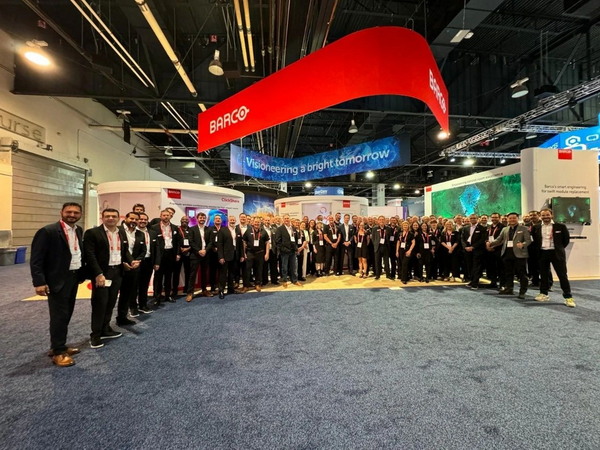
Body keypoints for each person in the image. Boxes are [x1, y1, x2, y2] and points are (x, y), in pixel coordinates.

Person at [30, 202, 86, 367]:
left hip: (73, 277)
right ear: (61, 212)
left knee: (67, 313)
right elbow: (36, 259)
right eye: (69, 212)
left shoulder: (78, 230)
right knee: (59, 316)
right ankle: (59, 352)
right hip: (57, 279)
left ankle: (58, 345)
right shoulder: (48, 231)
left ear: (80, 214)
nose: (72, 215)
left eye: (76, 212)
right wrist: (39, 282)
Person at [84, 208, 132, 348]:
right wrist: (98, 274)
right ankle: (95, 335)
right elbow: (90, 255)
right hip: (102, 274)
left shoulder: (121, 232)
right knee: (100, 304)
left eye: (113, 216)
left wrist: (128, 262)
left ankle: (105, 328)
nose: (111, 218)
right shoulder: (92, 233)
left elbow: (124, 251)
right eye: (107, 216)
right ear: (102, 217)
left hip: (117, 272)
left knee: (110, 302)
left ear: (118, 218)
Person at [532, 208, 576, 307]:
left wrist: (558, 249)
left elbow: (566, 240)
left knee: (562, 275)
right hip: (542, 253)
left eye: (547, 215)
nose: (545, 217)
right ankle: (544, 294)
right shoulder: (536, 227)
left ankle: (568, 297)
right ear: (540, 216)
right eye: (543, 215)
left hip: (556, 254)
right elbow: (535, 240)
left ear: (551, 215)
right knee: (543, 275)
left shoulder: (560, 226)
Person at [487, 212, 530, 299]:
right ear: (507, 219)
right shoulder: (505, 229)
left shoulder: (524, 228)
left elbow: (528, 240)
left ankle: (522, 292)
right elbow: (499, 239)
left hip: (519, 254)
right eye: (510, 218)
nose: (512, 220)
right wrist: (490, 243)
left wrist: (523, 244)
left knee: (522, 274)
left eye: (514, 218)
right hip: (507, 253)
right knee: (508, 273)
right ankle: (509, 289)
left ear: (518, 218)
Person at [116, 212, 146, 325]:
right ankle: (104, 324)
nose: (134, 221)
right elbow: (119, 250)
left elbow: (143, 250)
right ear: (126, 218)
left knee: (126, 294)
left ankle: (122, 317)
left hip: (134, 267)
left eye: (136, 219)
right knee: (112, 296)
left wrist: (137, 261)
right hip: (119, 267)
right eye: (131, 218)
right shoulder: (118, 230)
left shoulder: (140, 234)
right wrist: (124, 262)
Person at [151, 209, 181, 305]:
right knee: (158, 277)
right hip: (160, 254)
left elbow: (178, 242)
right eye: (164, 215)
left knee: (169, 276)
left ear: (170, 216)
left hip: (171, 253)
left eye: (167, 215)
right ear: (160, 216)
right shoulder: (154, 227)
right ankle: (157, 297)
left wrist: (178, 254)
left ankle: (168, 295)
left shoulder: (175, 227)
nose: (166, 217)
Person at [186, 212, 212, 302]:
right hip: (195, 255)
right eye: (200, 218)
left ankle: (204, 290)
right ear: (197, 219)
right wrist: (198, 251)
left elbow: (211, 242)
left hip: (206, 254)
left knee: (204, 273)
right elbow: (191, 241)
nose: (202, 219)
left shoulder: (209, 229)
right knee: (192, 274)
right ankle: (190, 293)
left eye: (203, 218)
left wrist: (205, 250)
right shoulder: (192, 229)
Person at [216, 215, 242, 299]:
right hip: (225, 256)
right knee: (223, 274)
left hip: (235, 255)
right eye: (231, 220)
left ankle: (231, 289)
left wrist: (241, 255)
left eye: (234, 220)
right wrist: (220, 257)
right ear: (228, 221)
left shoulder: (238, 230)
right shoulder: (223, 230)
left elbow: (240, 244)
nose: (232, 221)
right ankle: (221, 290)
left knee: (232, 273)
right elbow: (219, 244)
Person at [135, 213, 156, 313]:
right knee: (134, 285)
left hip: (148, 261)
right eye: (141, 219)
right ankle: (132, 307)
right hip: (136, 262)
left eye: (145, 219)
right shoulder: (133, 232)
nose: (143, 221)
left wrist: (156, 262)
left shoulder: (152, 233)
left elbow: (156, 249)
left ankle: (143, 305)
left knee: (144, 285)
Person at [243, 216, 270, 292]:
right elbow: (244, 242)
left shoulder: (264, 231)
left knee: (259, 269)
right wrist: (244, 253)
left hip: (260, 253)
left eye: (258, 222)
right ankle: (246, 286)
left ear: (260, 223)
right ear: (253, 222)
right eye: (255, 222)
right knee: (247, 269)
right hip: (250, 253)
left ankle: (257, 284)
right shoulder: (248, 231)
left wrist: (267, 253)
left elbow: (267, 243)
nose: (257, 223)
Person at [460, 214, 487, 289]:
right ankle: (472, 280)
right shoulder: (465, 228)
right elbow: (462, 238)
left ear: (477, 219)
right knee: (469, 266)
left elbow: (482, 239)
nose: (472, 219)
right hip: (467, 249)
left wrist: (473, 247)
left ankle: (475, 283)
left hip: (477, 250)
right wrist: (465, 247)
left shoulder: (482, 228)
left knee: (476, 267)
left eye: (474, 218)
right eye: (471, 218)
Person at [275, 214, 301, 287]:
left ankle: (294, 280)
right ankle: (284, 280)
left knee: (294, 267)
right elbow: (278, 241)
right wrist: (283, 249)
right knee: (284, 267)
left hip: (293, 251)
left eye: (288, 218)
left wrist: (296, 248)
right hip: (284, 251)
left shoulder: (293, 228)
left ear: (289, 219)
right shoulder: (280, 229)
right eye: (285, 218)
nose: (287, 219)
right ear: (283, 220)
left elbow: (295, 239)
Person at [172, 215, 192, 298]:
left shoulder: (191, 230)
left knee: (188, 272)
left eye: (186, 220)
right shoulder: (176, 229)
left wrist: (189, 248)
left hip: (189, 253)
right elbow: (174, 241)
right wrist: (179, 249)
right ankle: (175, 291)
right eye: (183, 219)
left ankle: (187, 289)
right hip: (178, 254)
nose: (184, 221)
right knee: (176, 272)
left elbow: (194, 241)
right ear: (180, 221)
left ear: (188, 221)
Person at [371, 215, 390, 280]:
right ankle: (377, 275)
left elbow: (390, 237)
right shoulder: (374, 228)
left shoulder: (388, 228)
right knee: (377, 262)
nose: (381, 221)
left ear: (384, 221)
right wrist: (375, 244)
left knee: (386, 262)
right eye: (380, 219)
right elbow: (373, 238)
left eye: (383, 219)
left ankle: (388, 275)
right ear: (378, 221)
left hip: (385, 247)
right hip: (377, 247)